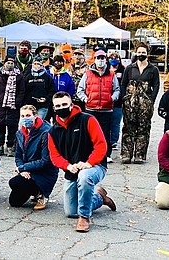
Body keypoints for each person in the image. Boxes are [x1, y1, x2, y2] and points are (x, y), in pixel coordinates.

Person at [47, 92, 116, 233]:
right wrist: (67, 166)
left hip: (95, 166)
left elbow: (101, 145)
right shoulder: (52, 131)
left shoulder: (87, 120)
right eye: (58, 106)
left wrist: (89, 163)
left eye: (65, 104)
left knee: (84, 177)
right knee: (71, 212)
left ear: (71, 105)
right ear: (54, 109)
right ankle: (100, 198)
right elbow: (55, 156)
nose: (62, 108)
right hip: (72, 171)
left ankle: (84, 217)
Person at [8, 105, 58, 210]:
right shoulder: (20, 133)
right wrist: (22, 169)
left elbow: (46, 161)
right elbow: (18, 155)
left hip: (44, 172)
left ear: (35, 116)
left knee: (15, 182)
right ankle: (36, 192)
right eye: (22, 116)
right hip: (28, 169)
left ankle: (43, 193)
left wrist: (24, 167)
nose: (25, 118)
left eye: (28, 115)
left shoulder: (46, 132)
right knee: (14, 202)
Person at [119, 44, 160, 164]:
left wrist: (151, 100)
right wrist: (124, 98)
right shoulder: (129, 68)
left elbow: (156, 85)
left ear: (147, 53)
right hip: (129, 104)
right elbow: (123, 84)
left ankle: (140, 154)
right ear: (135, 53)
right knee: (128, 128)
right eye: (139, 52)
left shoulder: (153, 69)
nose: (141, 54)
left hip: (145, 105)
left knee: (144, 128)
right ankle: (126, 154)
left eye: (143, 52)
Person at [76, 49, 120, 159]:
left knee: (105, 133)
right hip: (91, 109)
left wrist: (112, 98)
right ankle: (89, 154)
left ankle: (105, 155)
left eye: (102, 58)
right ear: (94, 60)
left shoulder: (111, 74)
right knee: (90, 133)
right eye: (98, 58)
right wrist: (86, 99)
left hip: (106, 109)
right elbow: (80, 89)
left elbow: (117, 89)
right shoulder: (88, 74)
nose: (100, 61)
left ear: (106, 60)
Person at [0, 56, 25, 157]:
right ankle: (0, 146)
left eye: (12, 63)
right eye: (8, 62)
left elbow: (21, 91)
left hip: (13, 106)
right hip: (0, 105)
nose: (10, 64)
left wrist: (17, 102)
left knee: (12, 128)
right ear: (4, 63)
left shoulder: (19, 76)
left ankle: (11, 146)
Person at [108, 52, 125, 150]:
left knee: (115, 122)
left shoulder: (123, 70)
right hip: (105, 101)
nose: (113, 59)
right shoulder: (105, 69)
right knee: (106, 122)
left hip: (118, 102)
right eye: (111, 57)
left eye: (116, 57)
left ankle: (114, 141)